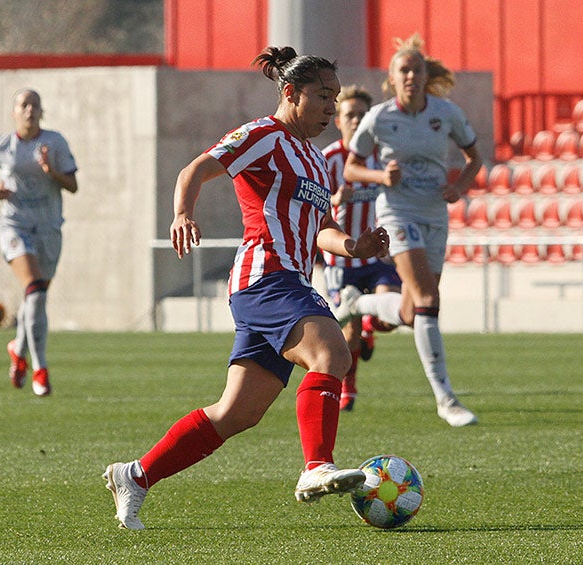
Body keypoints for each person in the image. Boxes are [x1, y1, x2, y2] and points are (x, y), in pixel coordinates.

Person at [103, 46, 390, 530]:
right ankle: (315, 466)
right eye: (323, 96)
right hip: (265, 277)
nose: (331, 108)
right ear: (290, 92)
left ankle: (135, 475)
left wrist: (355, 247)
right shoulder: (264, 135)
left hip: (287, 282)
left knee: (237, 413)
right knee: (333, 355)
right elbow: (195, 168)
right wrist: (182, 213)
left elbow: (321, 229)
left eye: (335, 99)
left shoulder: (317, 162)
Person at [339, 33, 483, 427]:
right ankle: (446, 399)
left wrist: (459, 186)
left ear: (424, 74)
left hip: (435, 214)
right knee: (427, 296)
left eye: (417, 69)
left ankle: (358, 305)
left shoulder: (446, 112)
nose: (411, 75)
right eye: (403, 69)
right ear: (392, 77)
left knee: (410, 311)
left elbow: (475, 156)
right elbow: (352, 169)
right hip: (397, 212)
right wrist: (380, 176)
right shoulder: (379, 117)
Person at [0, 88, 79, 397]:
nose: (29, 110)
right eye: (24, 104)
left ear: (41, 111)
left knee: (35, 298)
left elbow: (73, 185)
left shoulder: (55, 142)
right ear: (14, 112)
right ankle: (41, 368)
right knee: (34, 289)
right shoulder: (4, 145)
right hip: (15, 225)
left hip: (48, 228)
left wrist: (52, 172)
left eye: (35, 104)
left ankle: (17, 349)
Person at [321, 84, 402, 411]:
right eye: (349, 115)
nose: (356, 120)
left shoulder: (382, 157)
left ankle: (370, 324)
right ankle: (348, 389)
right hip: (342, 259)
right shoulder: (327, 159)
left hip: (379, 255)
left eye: (362, 115)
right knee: (348, 334)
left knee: (392, 314)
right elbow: (311, 207)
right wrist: (334, 199)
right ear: (338, 121)